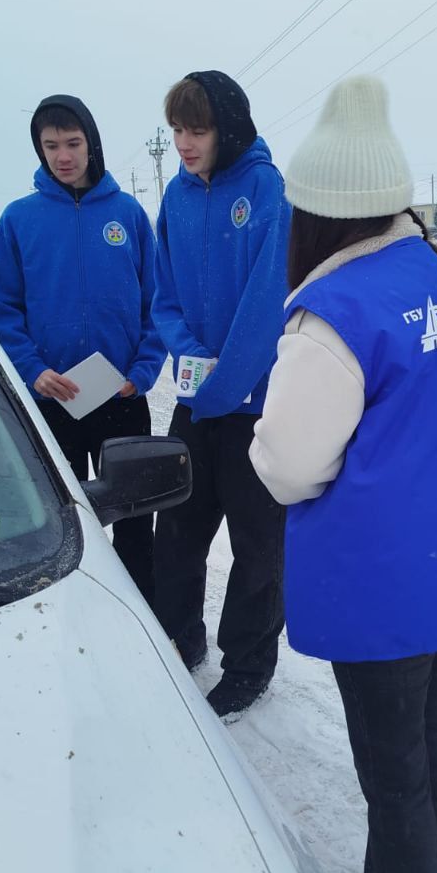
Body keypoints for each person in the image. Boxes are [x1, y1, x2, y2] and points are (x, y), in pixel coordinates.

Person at [249, 75, 437, 873]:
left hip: (384, 589)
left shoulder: (333, 314)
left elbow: (290, 465)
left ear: (317, 212)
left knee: (395, 776)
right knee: (434, 742)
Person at [149, 70, 291, 720]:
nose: (184, 142)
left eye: (196, 129)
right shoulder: (175, 198)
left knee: (259, 547)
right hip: (197, 396)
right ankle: (181, 637)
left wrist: (222, 385)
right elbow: (164, 295)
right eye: (177, 129)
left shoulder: (265, 190)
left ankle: (248, 665)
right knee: (177, 531)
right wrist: (188, 357)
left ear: (226, 129)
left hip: (254, 406)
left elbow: (266, 309)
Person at [0, 94, 163, 601]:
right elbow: (3, 312)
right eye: (50, 145)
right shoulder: (20, 220)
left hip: (122, 399)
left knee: (133, 522)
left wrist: (145, 370)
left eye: (73, 143)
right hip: (53, 401)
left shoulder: (127, 215)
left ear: (92, 143)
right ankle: (74, 613)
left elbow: (157, 302)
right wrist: (32, 370)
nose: (62, 155)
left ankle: (143, 618)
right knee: (63, 521)